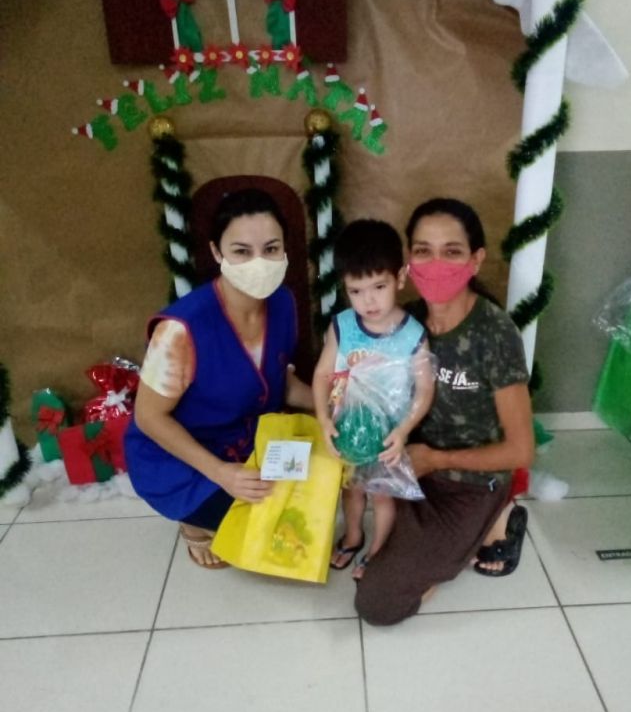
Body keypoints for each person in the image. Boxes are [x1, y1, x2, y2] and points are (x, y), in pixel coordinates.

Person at [354, 198, 535, 625]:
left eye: (451, 252)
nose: (435, 264)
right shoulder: (405, 323)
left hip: (467, 484)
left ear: (476, 260)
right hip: (410, 469)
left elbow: (521, 450)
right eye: (423, 251)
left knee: (378, 605)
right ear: (408, 259)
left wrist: (436, 460)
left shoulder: (494, 333)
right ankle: (433, 544)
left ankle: (499, 516)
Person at [125, 188, 312, 568]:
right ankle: (193, 523)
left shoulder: (283, 303)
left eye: (271, 249)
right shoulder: (182, 329)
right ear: (216, 252)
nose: (259, 262)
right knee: (268, 526)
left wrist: (332, 405)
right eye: (242, 251)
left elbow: (278, 379)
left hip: (245, 438)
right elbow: (149, 417)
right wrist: (221, 473)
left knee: (313, 495)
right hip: (182, 459)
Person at [312, 220, 435, 579]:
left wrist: (404, 430)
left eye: (379, 287)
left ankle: (378, 548)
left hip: (388, 435)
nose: (369, 301)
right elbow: (322, 375)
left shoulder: (412, 334)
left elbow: (425, 389)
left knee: (382, 494)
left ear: (400, 277)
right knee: (351, 490)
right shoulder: (343, 326)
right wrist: (324, 419)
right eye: (356, 291)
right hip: (348, 429)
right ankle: (353, 535)